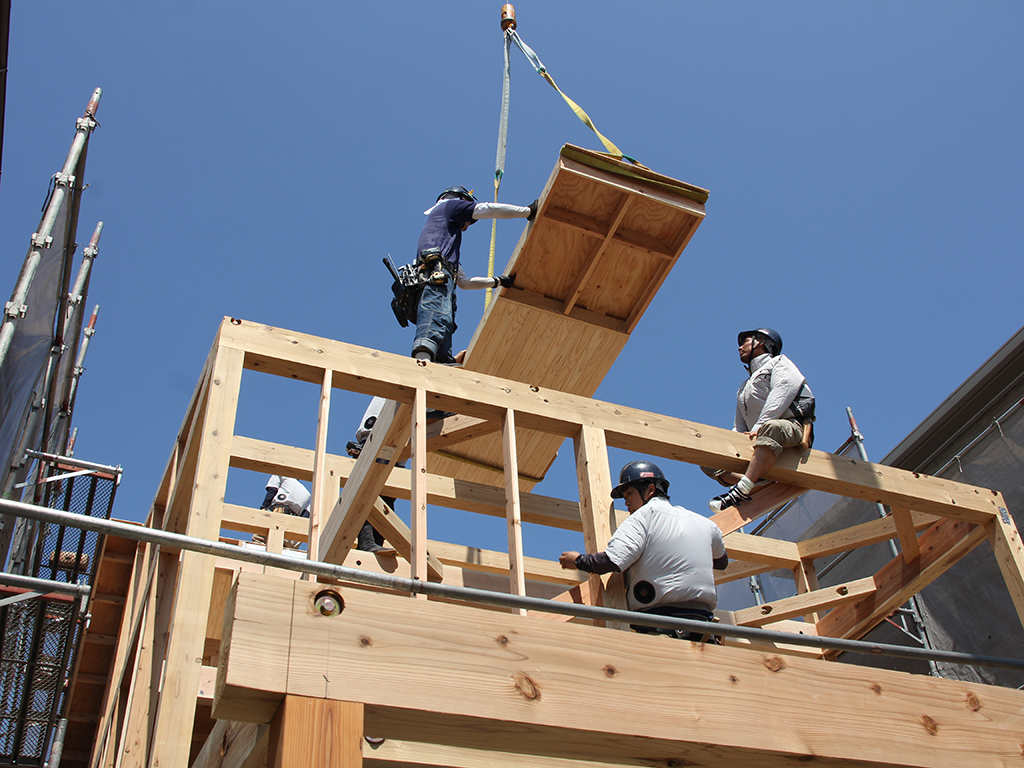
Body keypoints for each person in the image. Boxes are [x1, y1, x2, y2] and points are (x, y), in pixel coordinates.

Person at [559, 460, 728, 641]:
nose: (626, 502)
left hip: (661, 626)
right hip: (703, 629)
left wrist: (577, 560)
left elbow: (611, 561)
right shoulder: (706, 524)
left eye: (629, 493)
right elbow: (721, 562)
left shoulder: (643, 517)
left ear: (650, 489)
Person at [412, 185, 537, 363]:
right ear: (461, 200)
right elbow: (487, 209)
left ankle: (443, 362)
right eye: (468, 222)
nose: (467, 227)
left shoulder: (445, 244)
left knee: (444, 319)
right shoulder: (449, 206)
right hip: (436, 272)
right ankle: (422, 361)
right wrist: (527, 211)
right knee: (435, 313)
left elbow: (463, 282)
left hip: (440, 272)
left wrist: (496, 282)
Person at [707, 327, 815, 513]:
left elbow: (783, 392)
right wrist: (728, 445)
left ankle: (741, 490)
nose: (739, 348)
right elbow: (739, 426)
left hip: (791, 429)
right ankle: (756, 481)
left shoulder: (779, 362)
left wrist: (759, 426)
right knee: (708, 454)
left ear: (761, 342)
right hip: (761, 438)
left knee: (771, 427)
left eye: (745, 342)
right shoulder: (744, 387)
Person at [346, 396, 395, 554]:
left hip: (396, 445)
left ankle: (375, 543)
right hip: (375, 440)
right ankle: (367, 542)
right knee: (370, 492)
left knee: (387, 495)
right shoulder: (386, 394)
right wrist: (366, 443)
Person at [253, 475, 310, 549]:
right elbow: (306, 514)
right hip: (294, 522)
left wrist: (264, 508)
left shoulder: (281, 475)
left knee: (260, 540)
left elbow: (273, 489)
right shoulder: (307, 493)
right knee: (285, 547)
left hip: (279, 512)